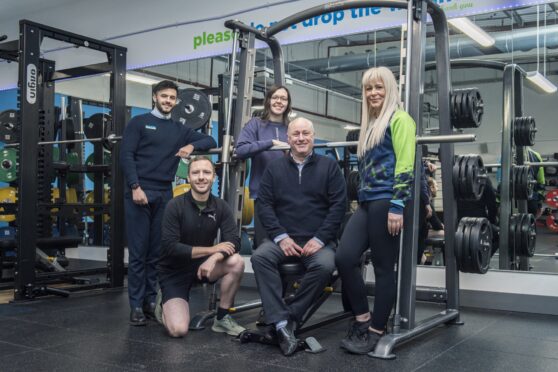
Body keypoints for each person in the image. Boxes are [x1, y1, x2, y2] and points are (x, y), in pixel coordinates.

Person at [120, 80, 217, 326]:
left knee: (156, 253)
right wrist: (135, 186)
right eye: (164, 96)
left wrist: (191, 146)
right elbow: (126, 155)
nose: (168, 101)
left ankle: (151, 302)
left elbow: (210, 141)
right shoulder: (139, 123)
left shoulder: (179, 128)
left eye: (172, 98)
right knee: (139, 253)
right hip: (139, 192)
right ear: (155, 97)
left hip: (164, 193)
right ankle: (135, 306)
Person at [335, 66, 416, 354]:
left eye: (379, 87)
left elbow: (406, 164)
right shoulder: (370, 124)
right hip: (368, 202)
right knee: (344, 257)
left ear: (390, 89)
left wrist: (398, 205)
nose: (373, 93)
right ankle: (362, 317)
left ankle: (375, 330)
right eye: (369, 88)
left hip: (387, 202)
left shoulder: (401, 119)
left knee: (383, 268)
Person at [251, 117, 347, 356]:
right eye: (296, 134)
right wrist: (281, 237)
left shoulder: (330, 166)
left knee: (325, 266)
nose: (301, 138)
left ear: (313, 137)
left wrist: (320, 238)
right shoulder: (275, 169)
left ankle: (285, 319)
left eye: (306, 133)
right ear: (288, 138)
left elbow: (338, 206)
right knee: (260, 257)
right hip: (284, 239)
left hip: (317, 240)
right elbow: (264, 206)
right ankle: (283, 324)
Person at [156, 157, 246, 337]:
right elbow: (170, 247)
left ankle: (222, 319)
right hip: (174, 272)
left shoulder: (221, 206)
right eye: (195, 173)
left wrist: (214, 258)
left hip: (204, 267)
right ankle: (162, 304)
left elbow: (234, 241)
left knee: (237, 262)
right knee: (178, 331)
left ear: (213, 177)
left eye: (206, 172)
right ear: (189, 178)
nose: (201, 177)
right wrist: (212, 250)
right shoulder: (175, 205)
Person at [235, 85, 291, 248]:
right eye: (275, 97)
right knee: (265, 245)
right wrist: (271, 143)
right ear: (268, 101)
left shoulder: (291, 128)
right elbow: (241, 149)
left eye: (283, 99)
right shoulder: (256, 125)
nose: (279, 102)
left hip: (290, 194)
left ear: (288, 104)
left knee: (289, 243)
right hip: (263, 193)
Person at [527, 147, 546, 218]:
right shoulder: (536, 155)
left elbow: (501, 181)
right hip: (531, 200)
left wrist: (499, 204)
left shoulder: (504, 156)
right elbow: (541, 182)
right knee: (528, 225)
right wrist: (539, 204)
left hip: (510, 202)